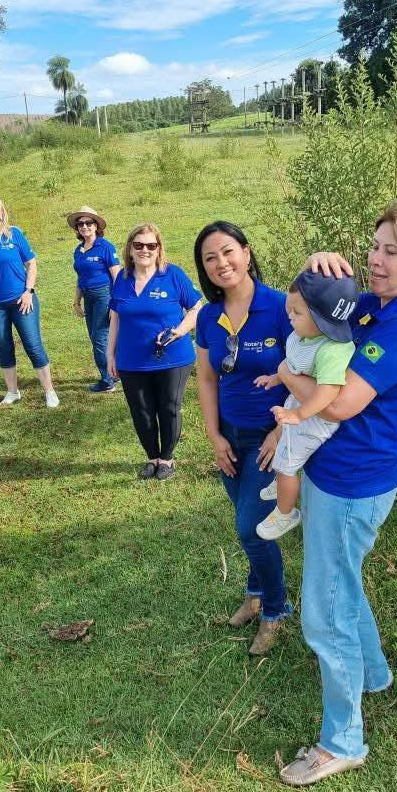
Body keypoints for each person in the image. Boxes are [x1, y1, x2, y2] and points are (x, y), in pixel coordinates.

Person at [277, 199, 397, 786]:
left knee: (325, 613)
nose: (375, 260)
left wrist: (285, 377)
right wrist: (316, 267)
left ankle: (343, 741)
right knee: (342, 580)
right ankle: (372, 674)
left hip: (354, 484)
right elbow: (309, 314)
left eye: (391, 251)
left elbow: (344, 400)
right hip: (338, 474)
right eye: (373, 247)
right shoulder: (380, 305)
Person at [194, 221, 293, 657]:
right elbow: (206, 377)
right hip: (229, 436)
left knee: (253, 528)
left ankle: (275, 608)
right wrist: (214, 435)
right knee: (245, 521)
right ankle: (255, 592)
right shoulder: (206, 315)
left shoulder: (281, 308)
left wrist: (281, 429)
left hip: (269, 437)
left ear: (247, 254)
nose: (221, 263)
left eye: (228, 251)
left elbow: (306, 373)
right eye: (210, 258)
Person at [254, 269, 359, 541]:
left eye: (297, 313)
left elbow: (328, 393)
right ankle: (281, 484)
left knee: (288, 464)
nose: (290, 317)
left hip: (315, 417)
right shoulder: (304, 336)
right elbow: (294, 366)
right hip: (300, 404)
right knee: (284, 442)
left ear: (322, 320)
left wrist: (298, 415)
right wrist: (276, 378)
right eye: (290, 311)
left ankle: (285, 513)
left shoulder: (332, 349)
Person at [107, 222, 202, 481]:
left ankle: (167, 459)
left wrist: (180, 331)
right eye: (139, 245)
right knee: (141, 410)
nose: (145, 250)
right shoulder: (122, 279)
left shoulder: (173, 275)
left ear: (159, 249)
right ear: (130, 249)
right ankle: (152, 457)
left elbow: (196, 308)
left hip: (172, 358)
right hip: (131, 360)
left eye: (151, 245)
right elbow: (115, 317)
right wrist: (110, 355)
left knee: (168, 408)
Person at [0, 195, 59, 408]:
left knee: (33, 345)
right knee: (3, 346)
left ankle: (50, 391)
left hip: (22, 300)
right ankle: (12, 391)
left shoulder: (14, 234)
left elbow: (31, 263)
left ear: (2, 213)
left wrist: (29, 291)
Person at [67, 205, 121, 392]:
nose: (84, 226)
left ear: (96, 225)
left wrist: (116, 302)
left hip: (103, 295)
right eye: (80, 223)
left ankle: (108, 380)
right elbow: (80, 277)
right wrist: (76, 301)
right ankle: (117, 372)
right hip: (88, 296)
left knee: (99, 337)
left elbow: (117, 275)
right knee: (96, 336)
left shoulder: (105, 247)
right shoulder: (79, 250)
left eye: (89, 222)